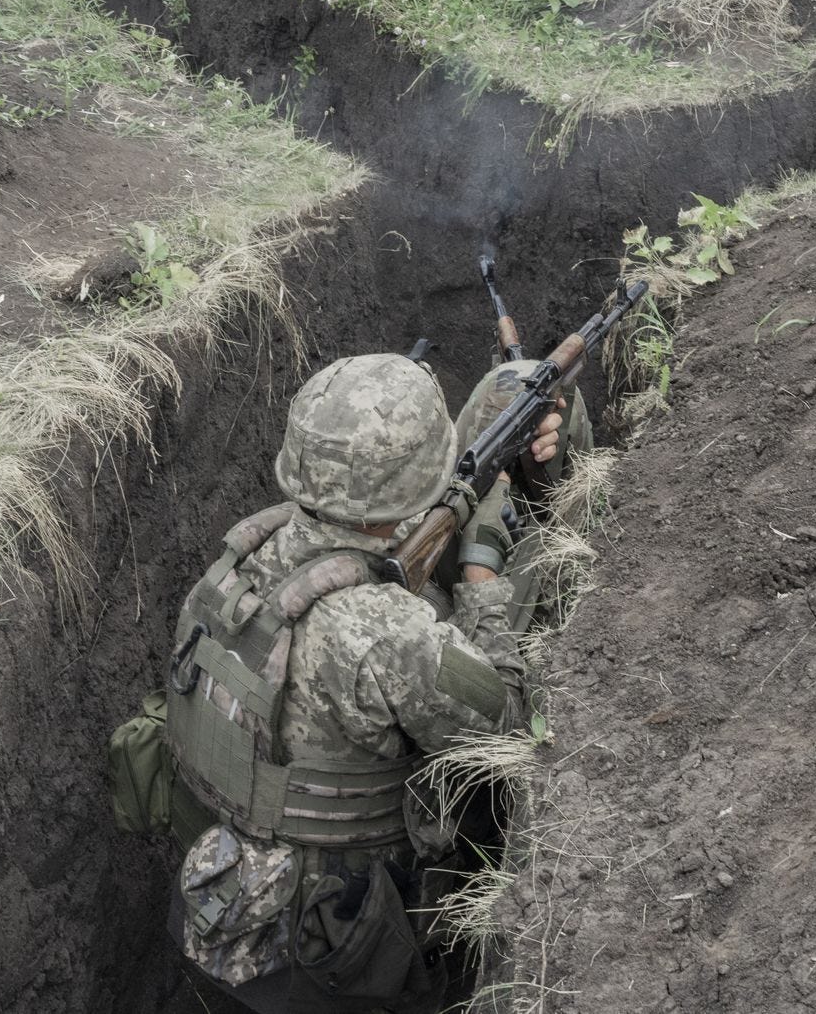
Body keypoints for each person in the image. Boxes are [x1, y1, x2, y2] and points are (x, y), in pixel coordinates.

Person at [163, 352, 585, 1013]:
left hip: (219, 894)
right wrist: (480, 574)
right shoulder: (385, 637)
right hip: (337, 946)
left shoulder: (236, 564)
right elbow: (509, 721)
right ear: (416, 479)